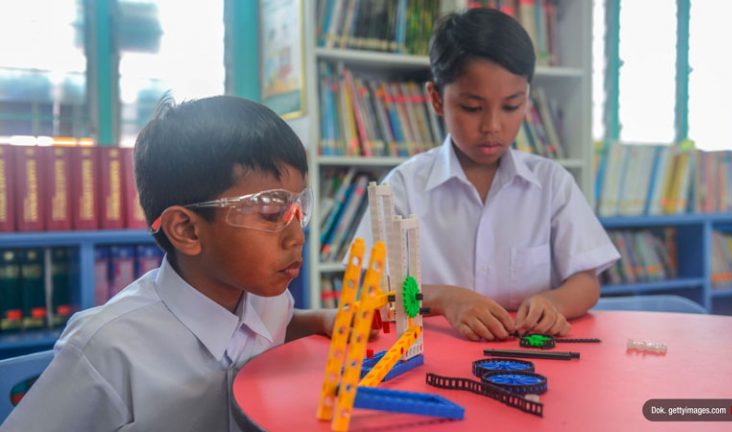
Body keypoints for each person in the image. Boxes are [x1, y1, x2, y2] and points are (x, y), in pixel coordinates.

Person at [1, 95, 336, 432]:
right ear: (187, 230)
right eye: (272, 213)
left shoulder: (268, 300)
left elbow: (281, 323)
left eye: (299, 208)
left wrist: (321, 319)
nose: (297, 237)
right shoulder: (107, 350)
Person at [352, 8, 619, 341]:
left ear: (527, 100)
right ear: (436, 99)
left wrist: (554, 302)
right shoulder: (404, 187)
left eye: (511, 106)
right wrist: (444, 298)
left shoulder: (552, 183)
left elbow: (586, 282)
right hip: (435, 356)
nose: (492, 125)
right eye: (472, 107)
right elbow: (371, 290)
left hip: (526, 355)